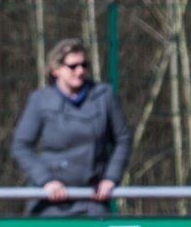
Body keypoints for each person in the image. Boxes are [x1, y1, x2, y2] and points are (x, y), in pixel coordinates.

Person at [11, 38, 132, 216]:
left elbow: (124, 139)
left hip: (93, 200)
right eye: (73, 66)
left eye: (84, 65)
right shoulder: (40, 100)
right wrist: (47, 181)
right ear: (56, 70)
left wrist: (110, 178)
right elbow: (21, 146)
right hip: (51, 204)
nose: (80, 71)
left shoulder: (103, 96)